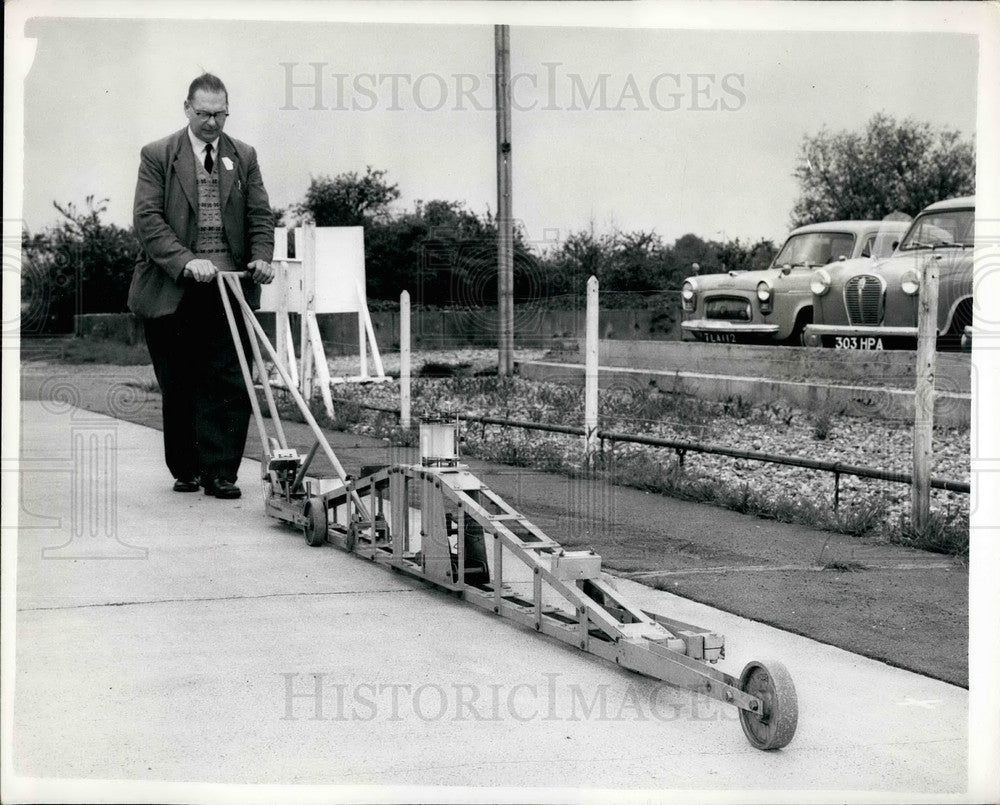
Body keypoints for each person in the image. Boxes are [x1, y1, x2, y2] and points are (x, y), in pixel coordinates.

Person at [128, 73, 275, 499]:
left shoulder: (243, 156)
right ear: (187, 108)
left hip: (229, 286)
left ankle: (221, 473)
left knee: (230, 381)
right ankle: (187, 469)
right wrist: (186, 260)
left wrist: (261, 257)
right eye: (203, 113)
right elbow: (148, 220)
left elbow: (260, 216)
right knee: (179, 381)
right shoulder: (158, 155)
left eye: (219, 114)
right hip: (173, 287)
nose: (212, 122)